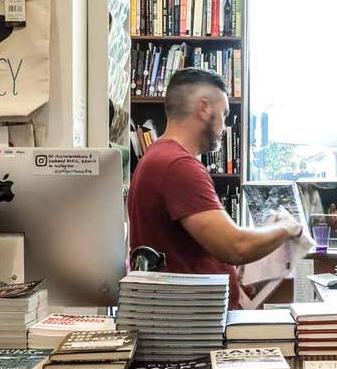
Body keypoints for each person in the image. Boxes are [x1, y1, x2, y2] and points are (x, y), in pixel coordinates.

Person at [128, 68, 302, 308]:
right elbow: (235, 246)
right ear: (204, 108)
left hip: (185, 319)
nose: (224, 124)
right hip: (191, 328)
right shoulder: (178, 165)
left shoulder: (157, 156)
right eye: (224, 113)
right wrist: (286, 227)